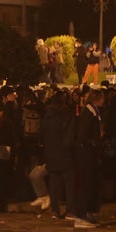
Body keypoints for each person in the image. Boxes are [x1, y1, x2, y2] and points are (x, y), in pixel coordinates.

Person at [40, 91, 76, 219]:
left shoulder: (46, 118)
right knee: (69, 184)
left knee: (54, 184)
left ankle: (55, 210)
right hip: (65, 154)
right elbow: (70, 138)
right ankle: (70, 210)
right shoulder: (66, 117)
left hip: (51, 154)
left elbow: (43, 137)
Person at [73, 89, 104, 228]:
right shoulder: (89, 113)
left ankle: (86, 211)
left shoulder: (94, 113)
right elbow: (82, 135)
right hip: (86, 154)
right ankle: (81, 214)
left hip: (90, 153)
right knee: (85, 183)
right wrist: (93, 142)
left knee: (90, 183)